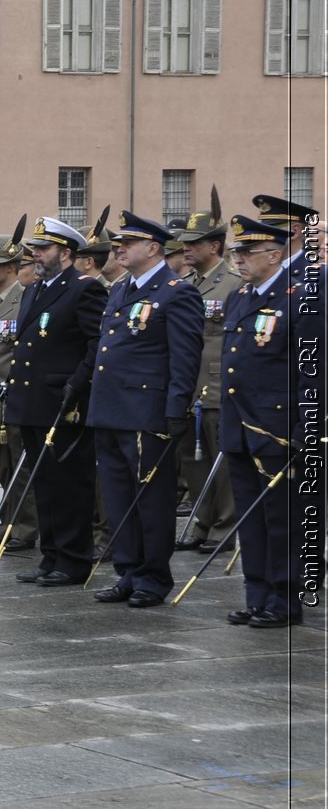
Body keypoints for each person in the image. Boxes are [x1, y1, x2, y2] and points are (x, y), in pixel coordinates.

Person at [87, 211, 204, 608]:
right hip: (111, 409)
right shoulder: (121, 289)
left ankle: (153, 576)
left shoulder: (176, 292)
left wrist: (176, 410)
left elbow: (185, 358)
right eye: (118, 244)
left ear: (152, 248)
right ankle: (128, 571)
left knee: (150, 500)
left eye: (128, 243)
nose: (118, 248)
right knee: (118, 498)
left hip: (146, 411)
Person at [219, 215, 315, 627]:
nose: (239, 259)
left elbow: (312, 369)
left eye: (248, 252)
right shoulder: (239, 297)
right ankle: (256, 593)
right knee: (251, 517)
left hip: (276, 426)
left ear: (275, 255)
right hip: (240, 423)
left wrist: (303, 427)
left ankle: (284, 598)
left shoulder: (299, 297)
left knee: (281, 518)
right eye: (236, 252)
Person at [5, 218, 108, 587]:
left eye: (43, 248)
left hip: (64, 401)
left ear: (66, 254)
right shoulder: (35, 289)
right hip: (33, 401)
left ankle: (75, 559)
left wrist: (77, 385)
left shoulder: (84, 289)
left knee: (69, 484)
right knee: (43, 483)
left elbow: (97, 345)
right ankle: (51, 556)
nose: (35, 254)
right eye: (34, 248)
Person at [175, 210, 240, 552]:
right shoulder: (187, 285)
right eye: (184, 243)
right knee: (193, 458)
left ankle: (224, 526)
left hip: (216, 385)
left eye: (193, 243)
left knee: (222, 458)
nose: (185, 248)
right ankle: (203, 520)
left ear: (214, 246)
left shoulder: (233, 284)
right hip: (188, 385)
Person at [0, 235, 38, 552]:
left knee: (20, 467)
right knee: (3, 469)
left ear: (11, 267)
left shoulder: (27, 299)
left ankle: (24, 527)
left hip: (15, 396)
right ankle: (9, 522)